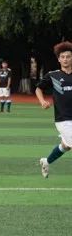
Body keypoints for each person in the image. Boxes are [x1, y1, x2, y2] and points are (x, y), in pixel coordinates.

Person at [36, 41, 72, 178]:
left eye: (68, 56)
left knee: (66, 146)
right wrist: (42, 101)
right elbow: (38, 88)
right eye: (62, 57)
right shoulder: (53, 75)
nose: (65, 59)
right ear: (58, 59)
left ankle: (46, 161)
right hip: (63, 119)